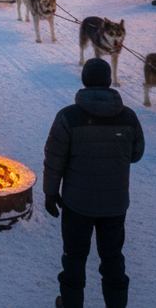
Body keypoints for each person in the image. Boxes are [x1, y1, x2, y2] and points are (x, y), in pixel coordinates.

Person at [43, 58, 145, 308]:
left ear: (84, 81)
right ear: (109, 82)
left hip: (77, 205)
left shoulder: (68, 116)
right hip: (115, 205)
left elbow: (54, 159)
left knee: (74, 259)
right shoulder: (129, 117)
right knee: (112, 259)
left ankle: (70, 303)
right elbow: (136, 154)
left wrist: (50, 193)